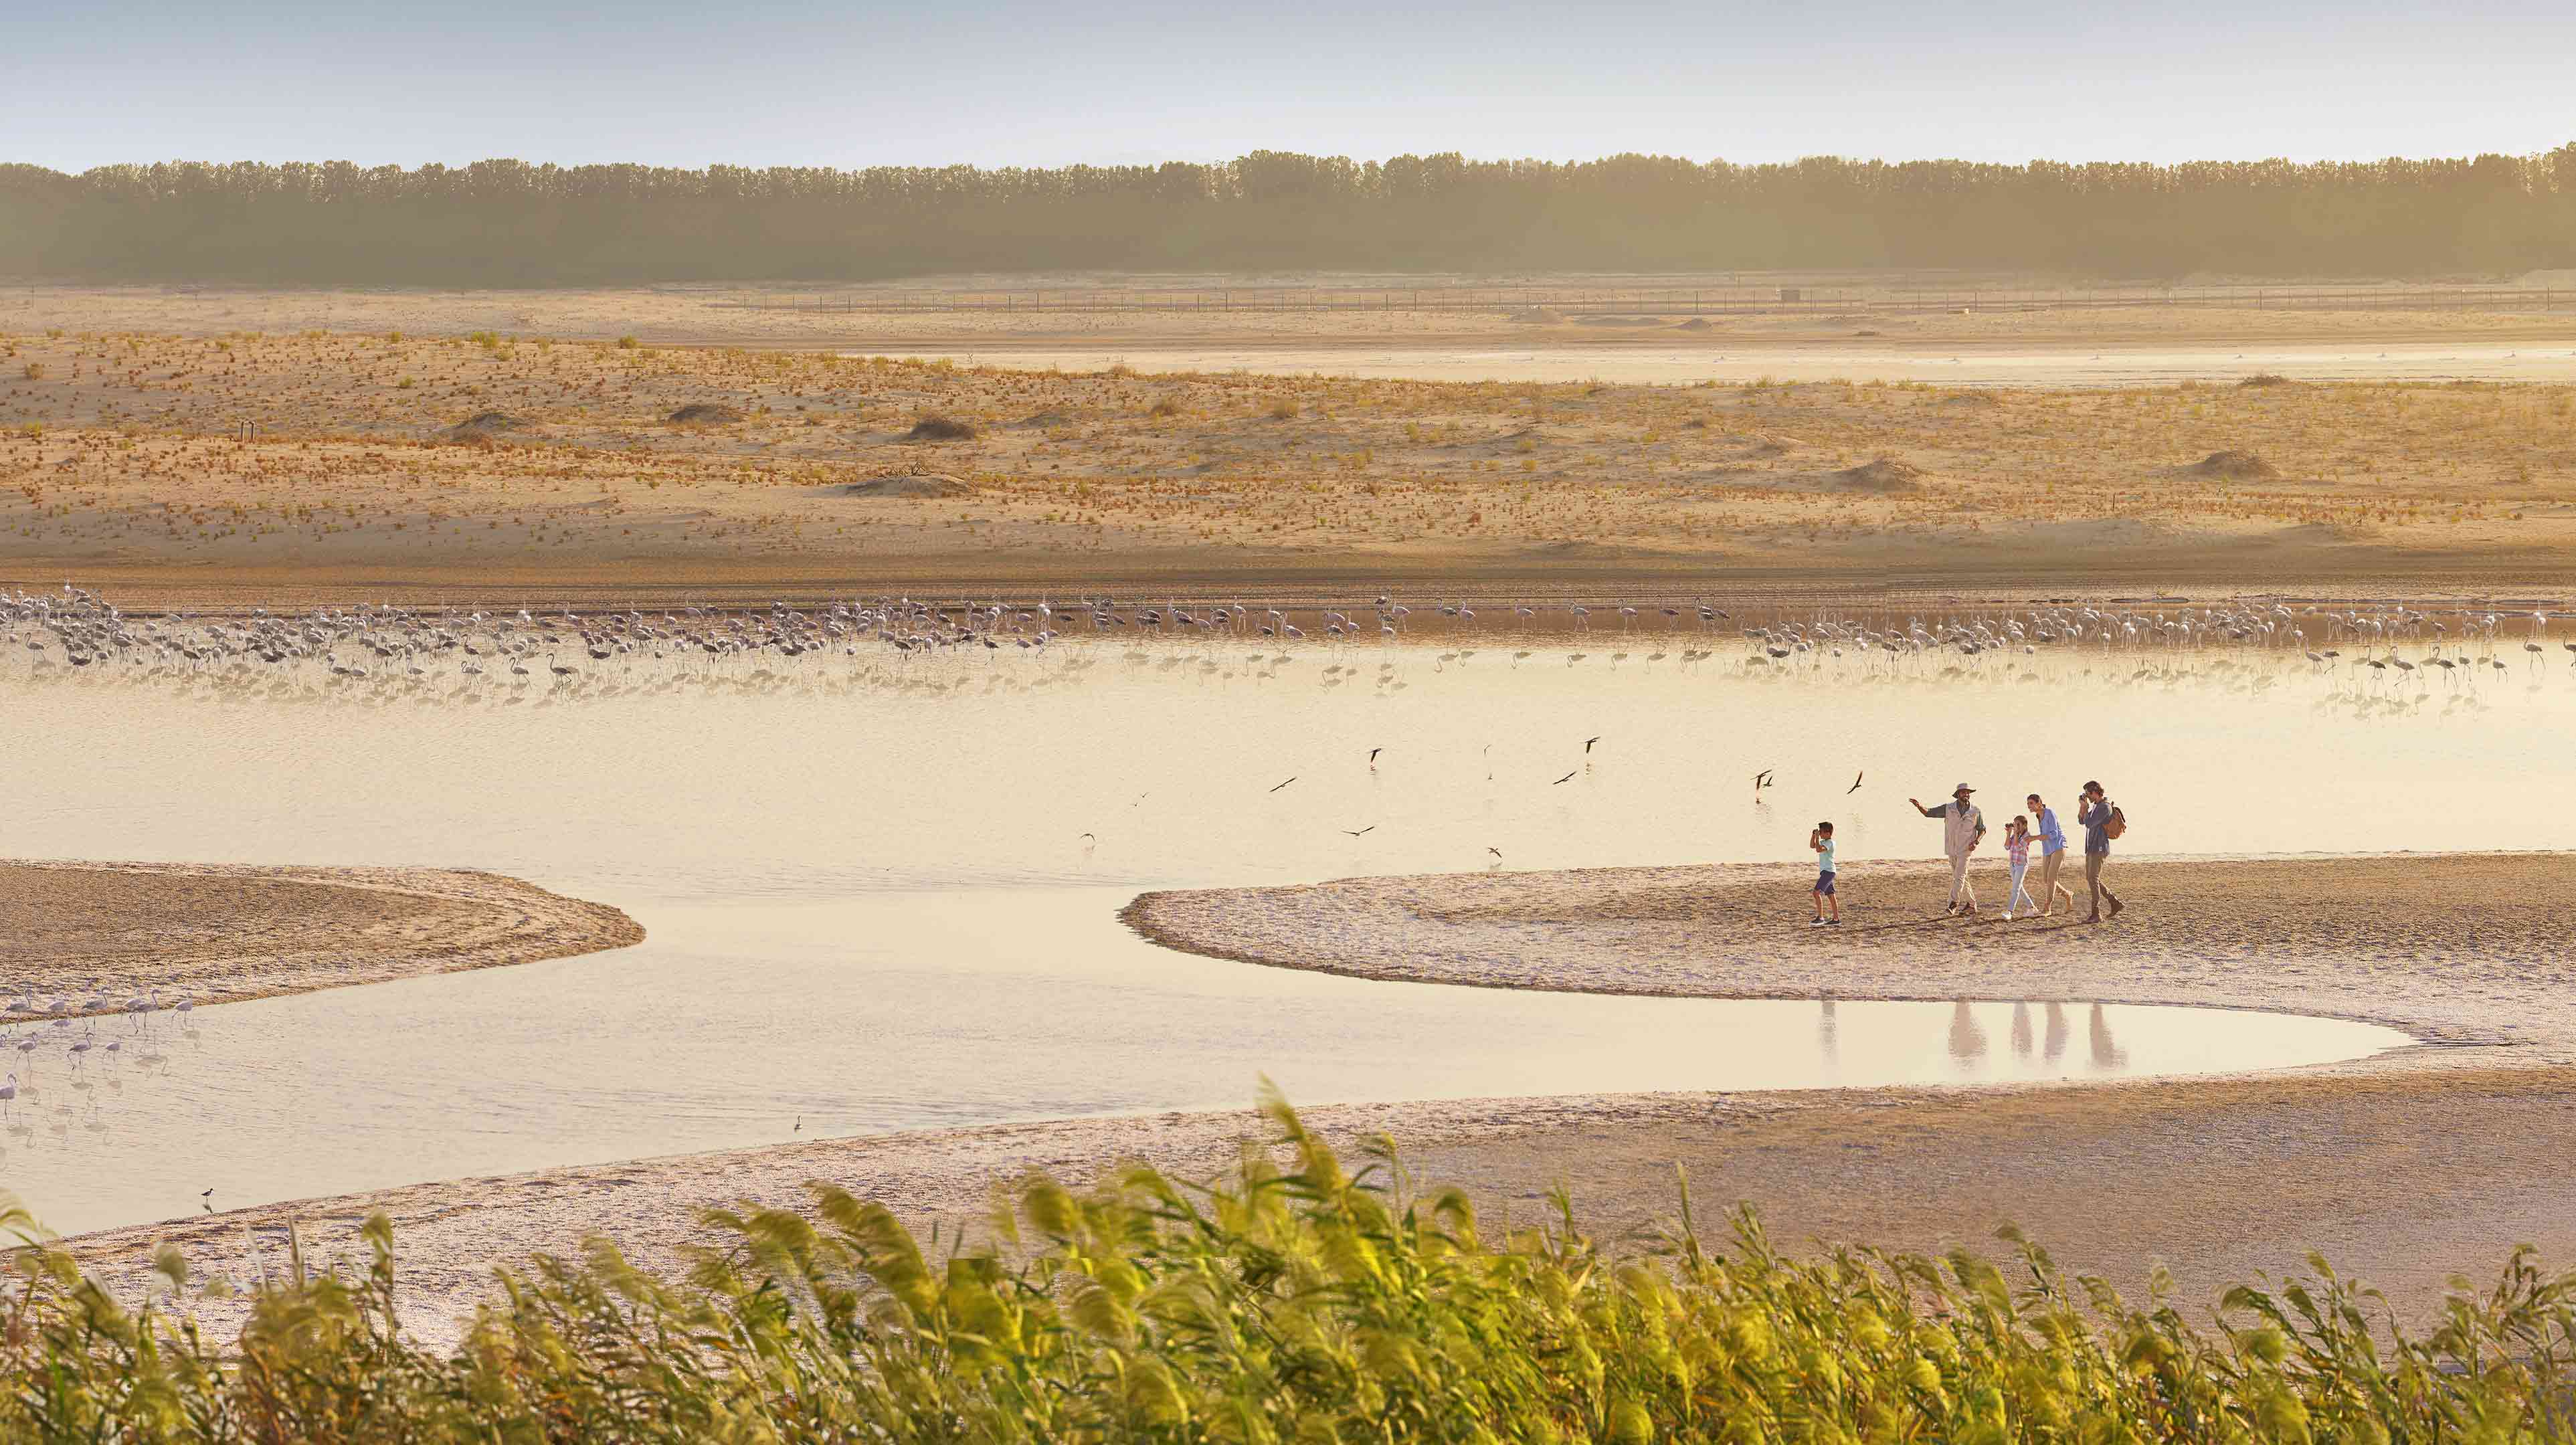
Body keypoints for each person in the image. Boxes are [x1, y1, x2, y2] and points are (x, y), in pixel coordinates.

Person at [1908, 783, 1985, 915]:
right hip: (1951, 848)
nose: (1966, 795)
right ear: (1958, 794)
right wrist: (1919, 806)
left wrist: (1976, 841)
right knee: (1961, 877)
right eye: (1963, 793)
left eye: (1968, 793)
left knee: (1959, 876)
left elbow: (1982, 829)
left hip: (1966, 849)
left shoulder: (1976, 811)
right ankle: (1972, 905)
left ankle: (1953, 904)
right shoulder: (1948, 808)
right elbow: (1929, 813)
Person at [2076, 780, 2125, 923]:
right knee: (2093, 879)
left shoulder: (2104, 807)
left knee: (2093, 879)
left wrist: (2085, 807)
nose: (2087, 797)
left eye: (2088, 794)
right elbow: (2082, 821)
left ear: (2094, 792)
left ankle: (2096, 913)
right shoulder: (2097, 806)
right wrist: (2083, 808)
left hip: (2099, 847)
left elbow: (2089, 823)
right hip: (2092, 847)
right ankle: (2114, 903)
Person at [2025, 792, 2077, 917]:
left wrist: (2035, 838)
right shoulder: (2038, 816)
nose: (2029, 806)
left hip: (2059, 846)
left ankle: (2048, 907)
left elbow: (2054, 834)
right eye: (2028, 804)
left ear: (2039, 803)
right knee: (2045, 879)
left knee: (2052, 877)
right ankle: (2067, 894)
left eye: (2031, 803)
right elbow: (2045, 835)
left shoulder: (2050, 813)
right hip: (2047, 849)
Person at [1999, 815, 2037, 920]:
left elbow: (2017, 846)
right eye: (2015, 824)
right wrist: (2008, 833)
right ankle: (2032, 908)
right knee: (2019, 888)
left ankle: (2010, 912)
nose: (2017, 826)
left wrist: (2015, 833)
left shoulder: (2027, 836)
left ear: (2025, 825)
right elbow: (2007, 847)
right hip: (2013, 864)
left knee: (2015, 888)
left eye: (2018, 824)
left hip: (2021, 864)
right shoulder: (2015, 835)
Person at [1808, 821, 1840, 926]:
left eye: (1821, 832)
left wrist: (1817, 838)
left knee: (1816, 893)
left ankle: (1821, 918)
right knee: (1831, 895)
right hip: (1826, 872)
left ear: (1828, 833)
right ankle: (1836, 919)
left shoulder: (1830, 843)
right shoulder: (1823, 842)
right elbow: (1812, 846)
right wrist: (1814, 836)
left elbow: (1818, 850)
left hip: (1829, 872)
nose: (1820, 834)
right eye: (1819, 832)